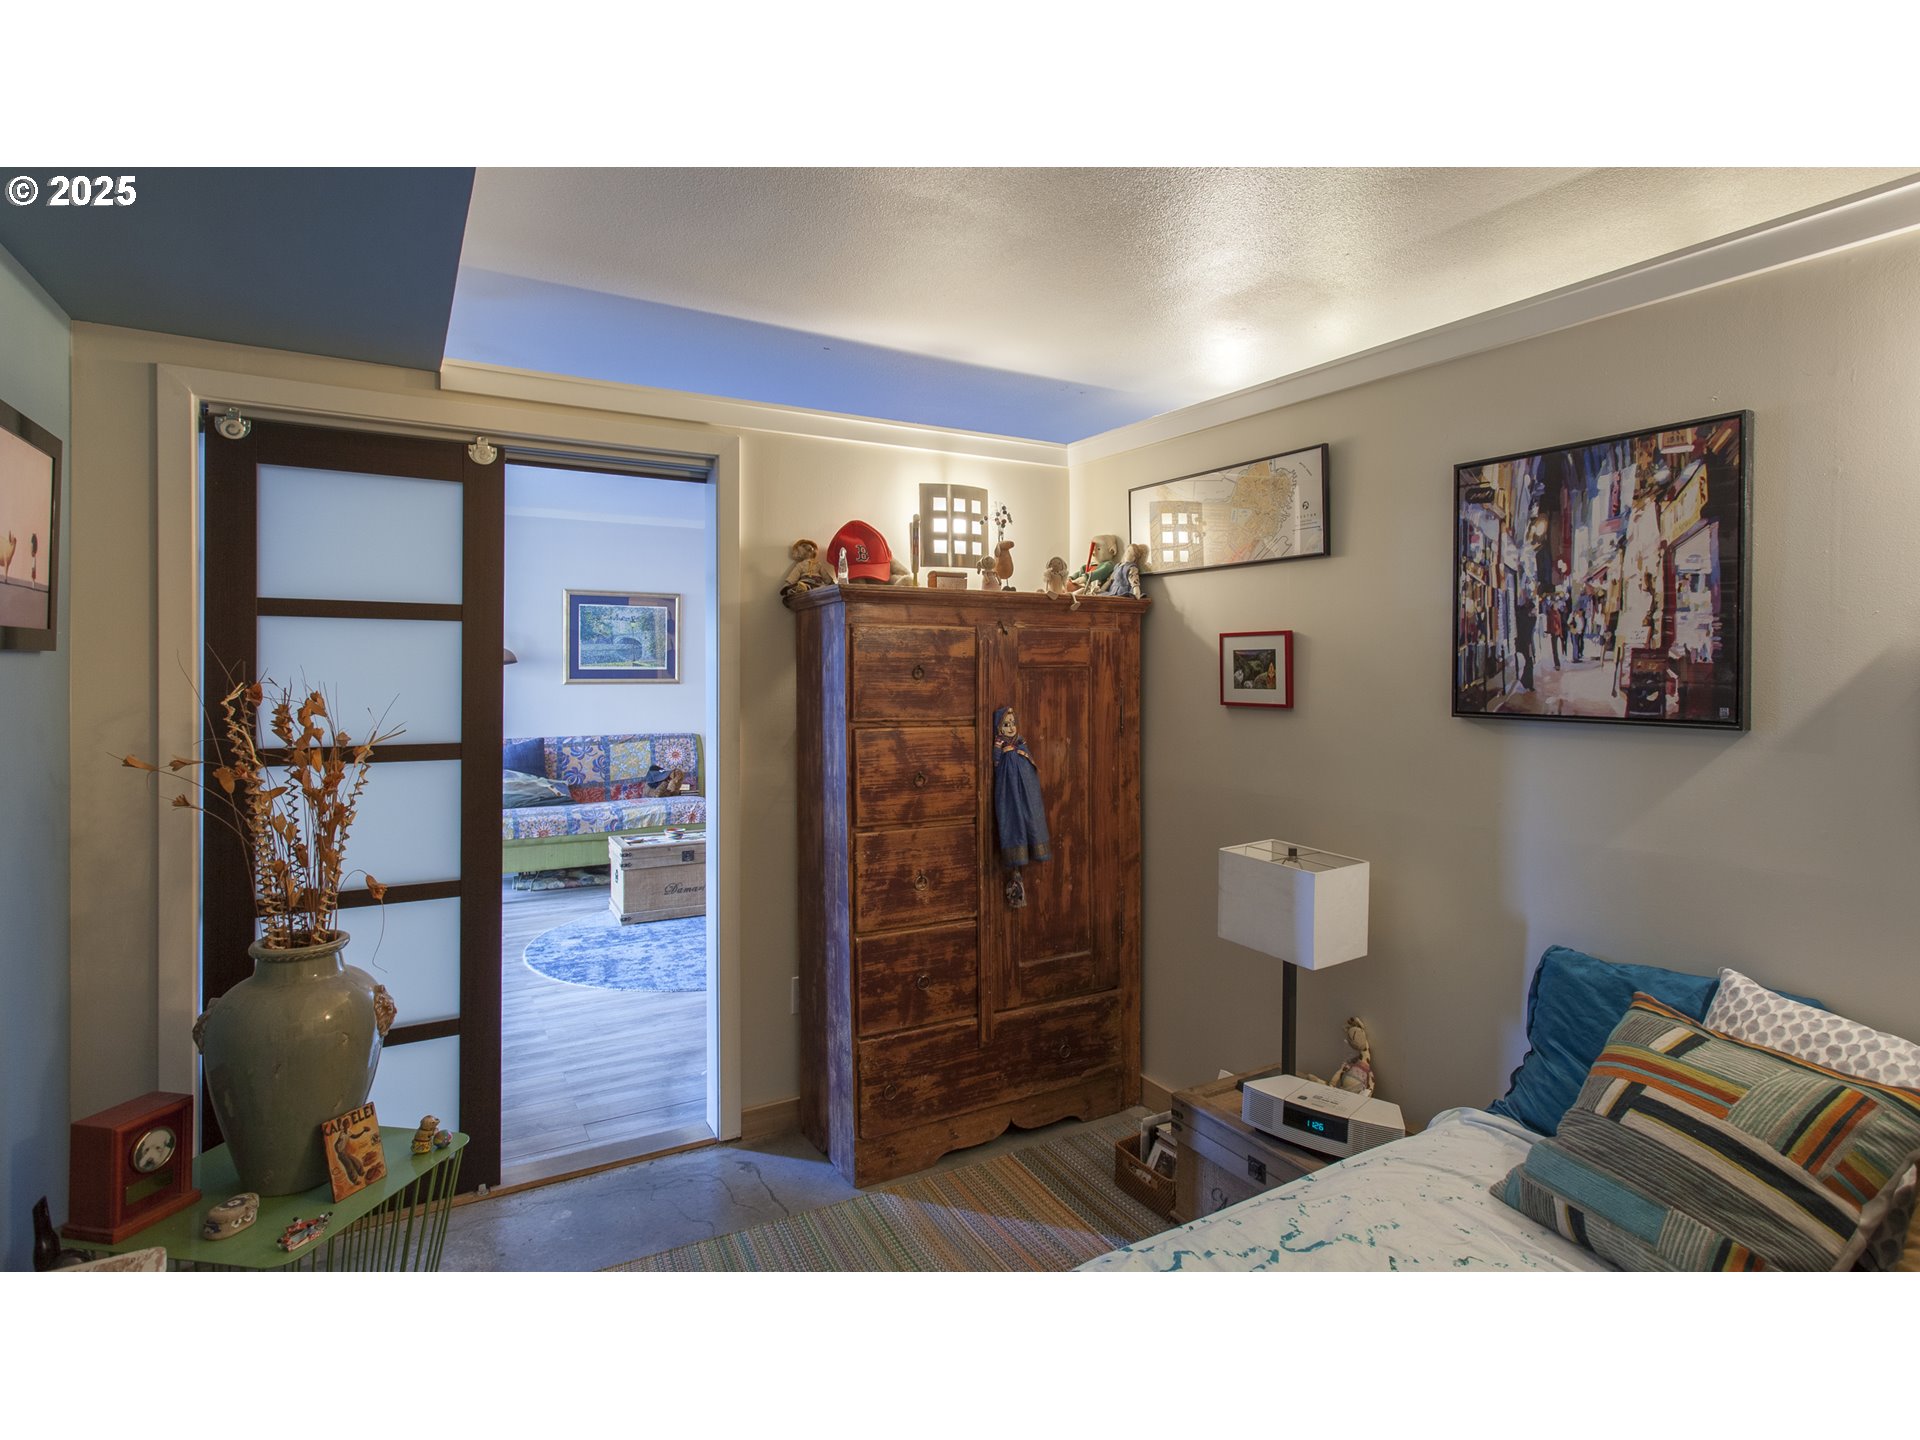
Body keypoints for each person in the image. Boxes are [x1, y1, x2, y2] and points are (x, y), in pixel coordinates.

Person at [992, 706, 1050, 907]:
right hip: (1010, 789)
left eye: (1012, 723)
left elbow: (1028, 759)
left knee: (1031, 816)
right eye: (1005, 725)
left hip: (1025, 788)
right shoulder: (1001, 745)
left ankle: (1032, 850)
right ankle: (1016, 868)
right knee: (1012, 816)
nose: (1010, 728)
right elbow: (996, 761)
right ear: (999, 727)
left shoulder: (1020, 744)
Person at [1514, 589, 1537, 692]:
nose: (1534, 611)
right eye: (1533, 610)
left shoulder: (1522, 615)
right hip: (1526, 643)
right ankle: (1527, 682)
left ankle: (1526, 682)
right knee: (1529, 662)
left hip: (1525, 643)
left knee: (1529, 662)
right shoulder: (1529, 618)